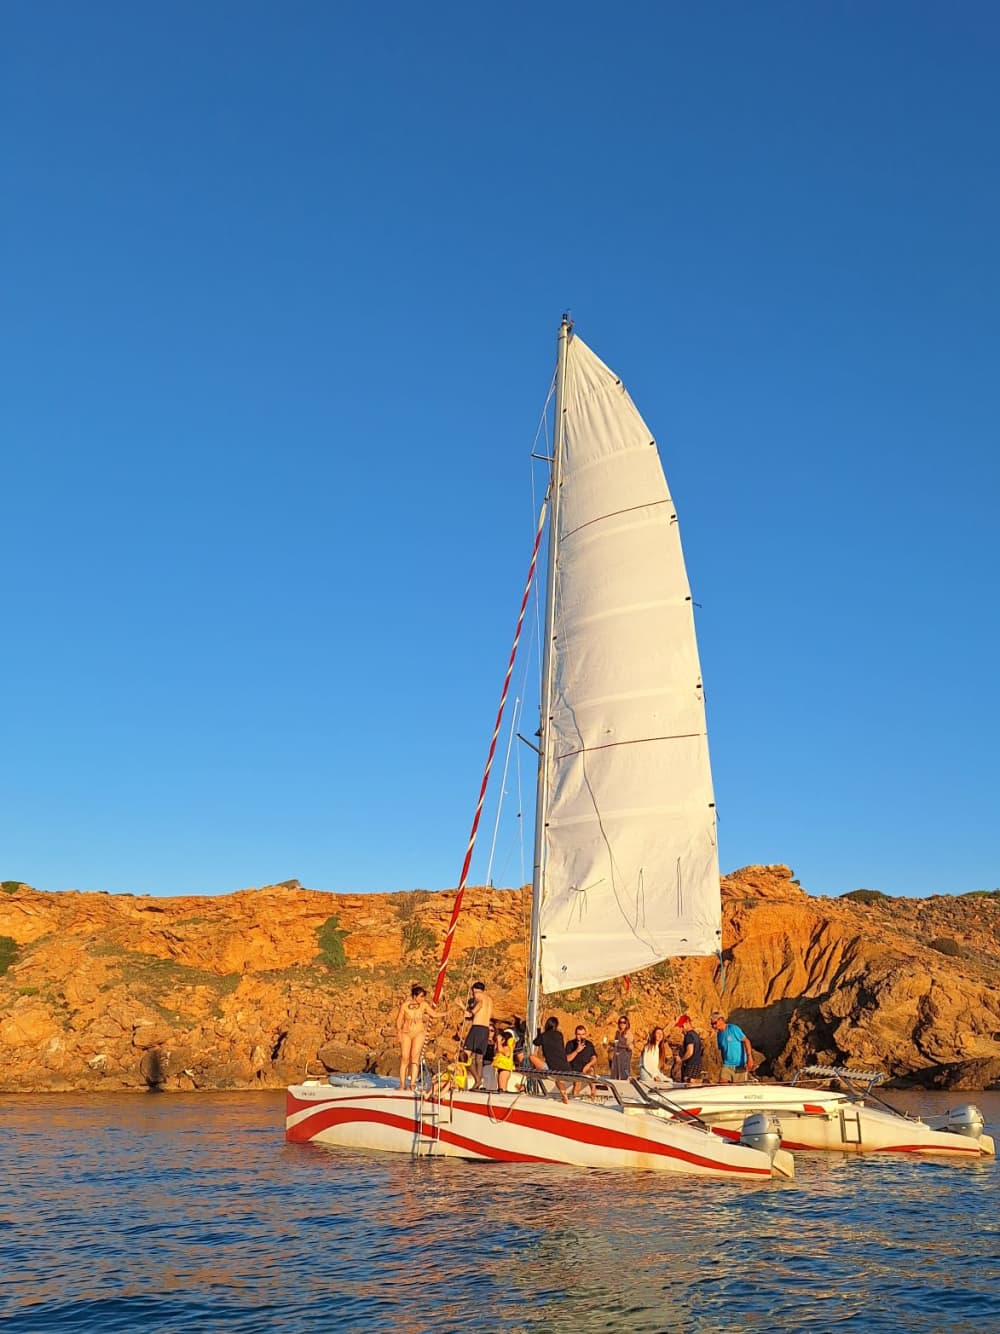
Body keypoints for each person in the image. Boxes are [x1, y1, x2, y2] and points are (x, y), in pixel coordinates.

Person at [395, 983, 436, 1090]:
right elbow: (399, 1020)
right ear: (414, 996)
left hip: (419, 1033)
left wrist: (446, 1012)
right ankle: (402, 1083)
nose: (423, 998)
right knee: (404, 1058)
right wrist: (398, 1033)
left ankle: (412, 1083)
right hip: (406, 1033)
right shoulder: (404, 1005)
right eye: (421, 996)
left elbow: (434, 1014)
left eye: (424, 996)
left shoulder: (424, 1005)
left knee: (415, 1058)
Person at [529, 1015, 572, 1103]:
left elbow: (536, 1042)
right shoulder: (559, 1035)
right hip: (564, 1065)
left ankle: (536, 1075)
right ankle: (565, 1096)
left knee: (531, 1057)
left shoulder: (544, 1035)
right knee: (558, 1079)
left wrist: (539, 1032)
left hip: (551, 1067)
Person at [463, 981, 494, 1089]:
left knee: (464, 1055)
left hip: (477, 1027)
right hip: (485, 1029)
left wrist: (468, 1010)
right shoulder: (489, 999)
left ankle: (477, 1079)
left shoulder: (478, 996)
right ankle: (477, 1083)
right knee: (479, 1058)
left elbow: (479, 1005)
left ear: (474, 989)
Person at [710, 1011, 755, 1083]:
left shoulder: (733, 1028)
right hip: (727, 1065)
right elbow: (722, 1050)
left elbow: (746, 1041)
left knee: (737, 1089)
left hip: (739, 1065)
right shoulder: (719, 1035)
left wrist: (750, 1058)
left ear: (721, 1020)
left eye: (714, 1023)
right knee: (721, 1085)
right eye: (712, 1024)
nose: (713, 1026)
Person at [565, 1024, 598, 1098]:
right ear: (575, 1034)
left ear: (585, 1034)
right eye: (578, 1034)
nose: (580, 1036)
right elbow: (567, 1059)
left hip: (586, 1068)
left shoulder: (589, 1044)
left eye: (583, 1034)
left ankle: (593, 1095)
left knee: (591, 1071)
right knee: (577, 1083)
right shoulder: (570, 1044)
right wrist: (577, 1050)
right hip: (574, 1069)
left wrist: (588, 1065)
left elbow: (594, 1057)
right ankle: (575, 1099)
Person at [675, 1014, 704, 1082]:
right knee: (693, 1083)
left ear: (687, 1022)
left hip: (691, 1064)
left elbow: (689, 1052)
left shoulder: (689, 1035)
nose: (681, 1028)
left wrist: (681, 1060)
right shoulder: (695, 1034)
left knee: (688, 1083)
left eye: (682, 1026)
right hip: (698, 1064)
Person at [493, 1025, 517, 1091]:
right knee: (500, 1089)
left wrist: (499, 1041)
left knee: (502, 1089)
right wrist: (497, 1043)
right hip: (501, 1069)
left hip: (504, 1070)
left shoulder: (508, 1048)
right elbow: (496, 1052)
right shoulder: (502, 1046)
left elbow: (502, 1051)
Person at [608, 1016, 633, 1080]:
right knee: (616, 1072)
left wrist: (618, 1045)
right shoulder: (617, 1032)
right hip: (617, 1055)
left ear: (627, 1023)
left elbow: (630, 1047)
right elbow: (617, 1043)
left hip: (625, 1056)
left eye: (624, 1022)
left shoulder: (628, 1033)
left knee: (624, 1072)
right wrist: (611, 1044)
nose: (622, 1024)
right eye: (620, 1022)